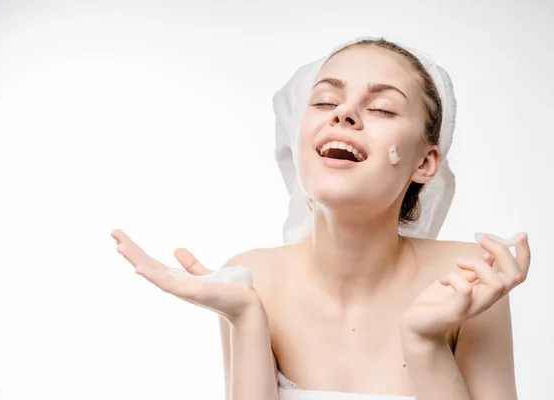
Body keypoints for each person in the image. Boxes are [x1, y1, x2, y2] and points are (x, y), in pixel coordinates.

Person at [111, 37, 531, 400]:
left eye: (382, 108)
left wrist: (425, 343)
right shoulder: (253, 279)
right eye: (326, 101)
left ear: (424, 162)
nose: (343, 113)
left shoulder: (467, 280)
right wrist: (246, 320)